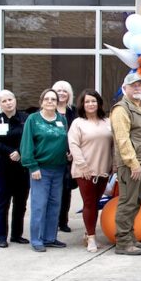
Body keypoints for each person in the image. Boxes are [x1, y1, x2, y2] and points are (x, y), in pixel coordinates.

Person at [110, 73, 141, 255]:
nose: (137, 88)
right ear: (125, 88)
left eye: (139, 85)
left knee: (136, 202)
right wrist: (133, 163)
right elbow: (122, 139)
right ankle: (122, 242)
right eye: (133, 85)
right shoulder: (121, 109)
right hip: (132, 165)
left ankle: (130, 237)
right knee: (127, 202)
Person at [20, 88, 69, 253]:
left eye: (53, 99)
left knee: (55, 204)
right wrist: (32, 166)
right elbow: (26, 144)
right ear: (41, 101)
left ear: (57, 103)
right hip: (40, 169)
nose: (50, 102)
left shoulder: (62, 119)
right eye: (47, 99)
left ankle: (50, 238)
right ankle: (36, 239)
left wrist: (68, 154)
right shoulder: (33, 120)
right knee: (39, 205)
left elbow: (65, 141)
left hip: (59, 169)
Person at [67, 89, 113, 253]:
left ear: (99, 103)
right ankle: (92, 238)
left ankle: (88, 234)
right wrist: (83, 166)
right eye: (87, 101)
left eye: (93, 101)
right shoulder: (78, 123)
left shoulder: (107, 122)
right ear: (82, 104)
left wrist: (113, 165)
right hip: (85, 170)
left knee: (96, 202)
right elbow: (73, 145)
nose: (91, 104)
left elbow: (113, 145)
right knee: (89, 203)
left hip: (103, 170)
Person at [0, 90, 30, 248]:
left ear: (15, 100)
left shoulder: (25, 119)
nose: (8, 103)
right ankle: (1, 237)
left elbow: (30, 138)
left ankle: (17, 235)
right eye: (4, 101)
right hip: (2, 168)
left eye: (10, 99)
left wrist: (19, 151)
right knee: (3, 202)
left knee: (20, 203)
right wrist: (10, 152)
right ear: (0, 104)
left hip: (22, 168)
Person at [52, 80, 76, 234]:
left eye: (65, 91)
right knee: (53, 193)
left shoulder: (73, 111)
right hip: (52, 158)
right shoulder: (48, 111)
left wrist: (72, 152)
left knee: (66, 191)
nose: (61, 93)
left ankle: (63, 221)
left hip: (69, 158)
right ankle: (52, 221)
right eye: (59, 90)